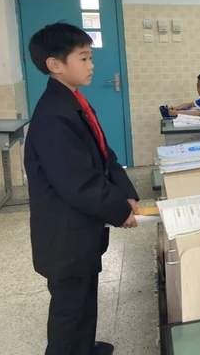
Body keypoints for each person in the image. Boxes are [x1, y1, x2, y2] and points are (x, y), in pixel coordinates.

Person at [25, 23, 139, 355]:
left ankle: (83, 348)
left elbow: (104, 155)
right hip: (65, 235)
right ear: (55, 64)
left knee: (84, 298)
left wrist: (127, 194)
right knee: (70, 309)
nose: (92, 65)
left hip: (80, 231)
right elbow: (79, 183)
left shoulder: (73, 102)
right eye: (84, 58)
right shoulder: (53, 116)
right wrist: (120, 210)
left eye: (90, 57)